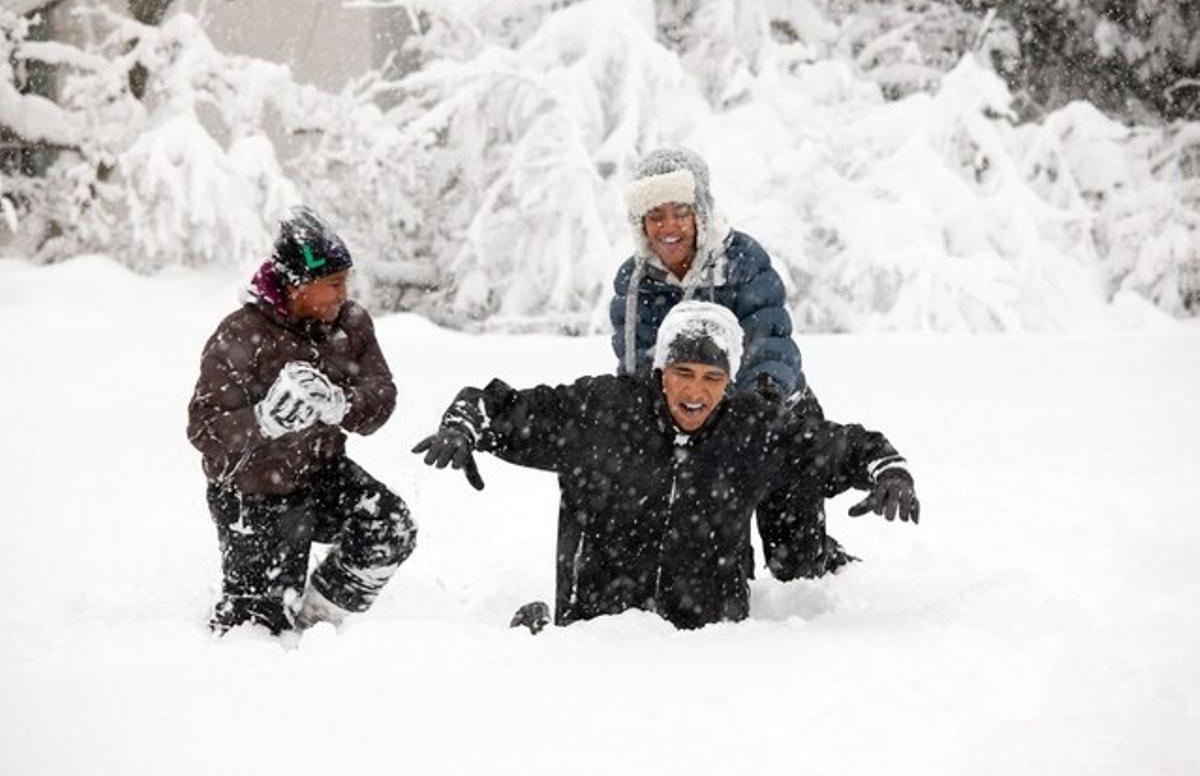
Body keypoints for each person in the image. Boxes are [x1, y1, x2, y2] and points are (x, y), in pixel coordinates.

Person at [414, 302, 918, 631]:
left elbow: (843, 446)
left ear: (729, 381)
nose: (695, 392)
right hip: (595, 640)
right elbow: (498, 407)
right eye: (682, 373)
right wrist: (464, 427)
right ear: (660, 371)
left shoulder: (752, 430)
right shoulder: (603, 409)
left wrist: (887, 471)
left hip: (707, 652)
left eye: (712, 377)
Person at [610, 146, 842, 582]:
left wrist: (762, 398)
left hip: (774, 413)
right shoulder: (634, 281)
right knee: (718, 564)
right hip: (698, 426)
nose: (669, 227)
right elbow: (637, 363)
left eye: (679, 212)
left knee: (795, 565)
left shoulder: (742, 260)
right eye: (655, 216)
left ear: (700, 211)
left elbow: (770, 336)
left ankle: (825, 558)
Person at [187, 206, 417, 635]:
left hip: (321, 473)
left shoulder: (352, 324)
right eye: (332, 284)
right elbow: (203, 429)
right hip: (251, 494)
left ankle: (317, 622)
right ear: (296, 285)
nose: (343, 294)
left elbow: (381, 398)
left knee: (390, 529)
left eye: (345, 281)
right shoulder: (240, 335)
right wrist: (262, 421)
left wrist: (341, 404)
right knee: (255, 631)